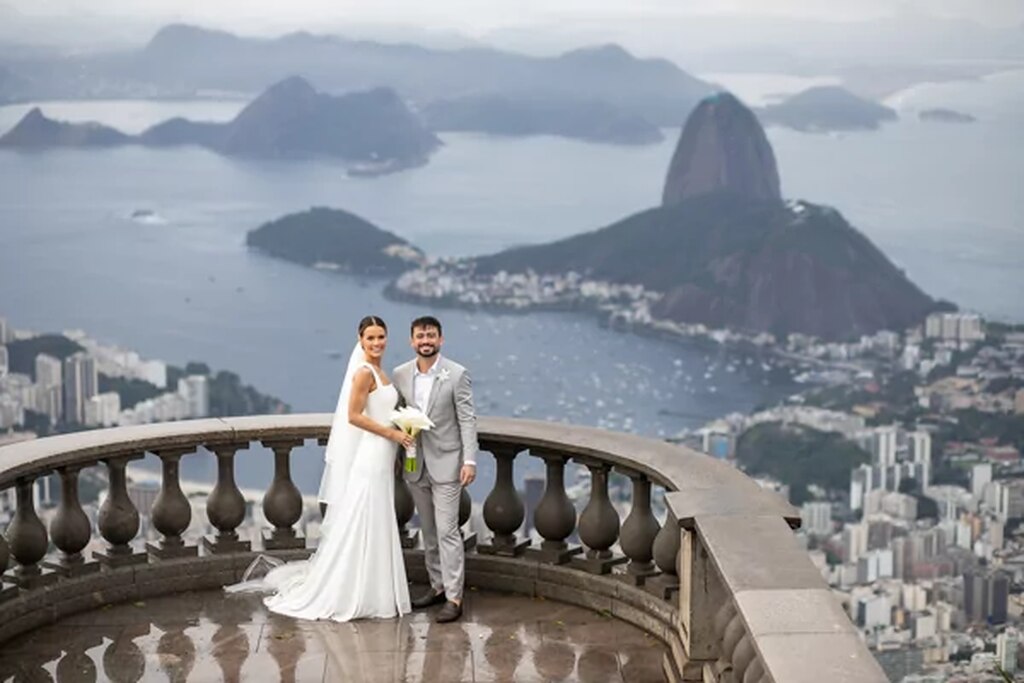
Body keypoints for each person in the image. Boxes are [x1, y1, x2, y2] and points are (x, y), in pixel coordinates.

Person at [227, 315, 412, 621]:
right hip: (372, 453)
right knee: (364, 518)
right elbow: (353, 416)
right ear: (360, 340)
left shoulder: (380, 371)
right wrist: (392, 433)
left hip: (383, 454)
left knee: (377, 518)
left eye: (381, 337)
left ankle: (375, 588)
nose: (377, 343)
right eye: (371, 338)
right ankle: (355, 590)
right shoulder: (364, 373)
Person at [392, 315, 478, 623]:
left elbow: (467, 419)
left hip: (448, 464)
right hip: (415, 463)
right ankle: (437, 586)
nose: (425, 341)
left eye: (431, 336)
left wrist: (469, 460)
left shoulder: (456, 374)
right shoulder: (401, 374)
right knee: (428, 531)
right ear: (411, 341)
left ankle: (455, 597)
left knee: (447, 531)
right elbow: (396, 414)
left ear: (440, 339)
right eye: (420, 336)